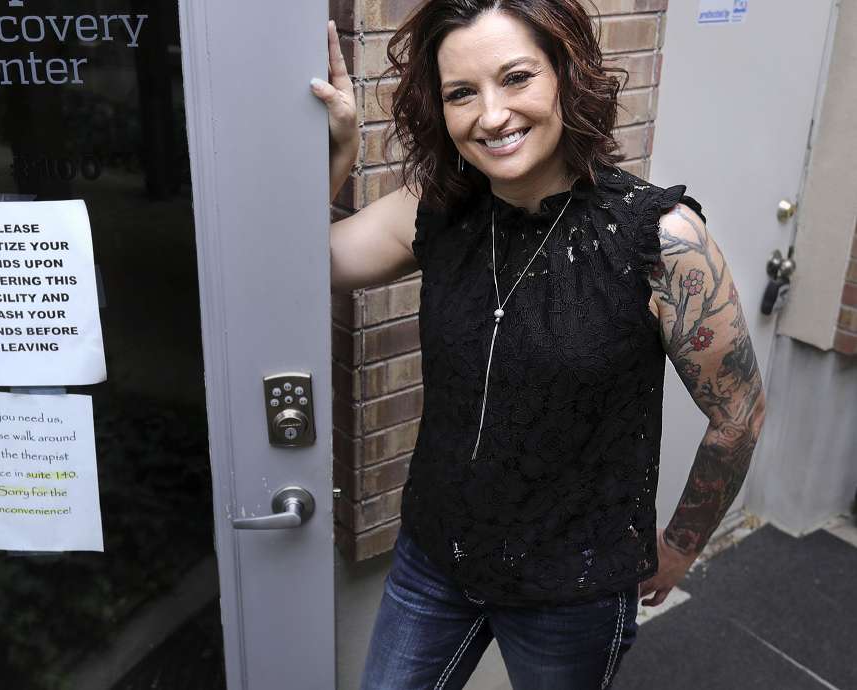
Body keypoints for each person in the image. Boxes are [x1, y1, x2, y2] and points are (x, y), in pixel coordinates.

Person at [310, 2, 767, 688]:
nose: (491, 115)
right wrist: (338, 156)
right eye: (462, 92)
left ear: (565, 75)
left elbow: (739, 413)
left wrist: (680, 545)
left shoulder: (660, 241)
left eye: (516, 77)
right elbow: (309, 264)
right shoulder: (435, 210)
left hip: (572, 593)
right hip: (434, 561)